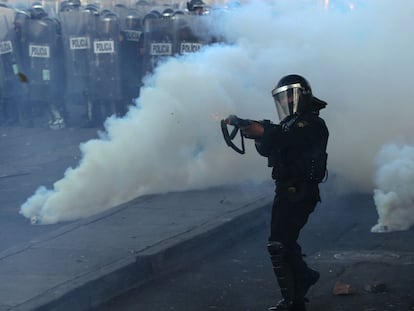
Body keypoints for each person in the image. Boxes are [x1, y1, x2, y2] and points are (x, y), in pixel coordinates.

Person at [235, 74, 329, 311]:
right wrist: (256, 134)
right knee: (283, 241)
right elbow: (271, 148)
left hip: (301, 191)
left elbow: (287, 137)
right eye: (283, 97)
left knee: (280, 243)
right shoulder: (289, 124)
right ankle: (302, 282)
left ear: (302, 96)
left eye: (290, 95)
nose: (286, 101)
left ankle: (294, 300)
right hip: (288, 190)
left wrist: (263, 130)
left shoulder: (311, 123)